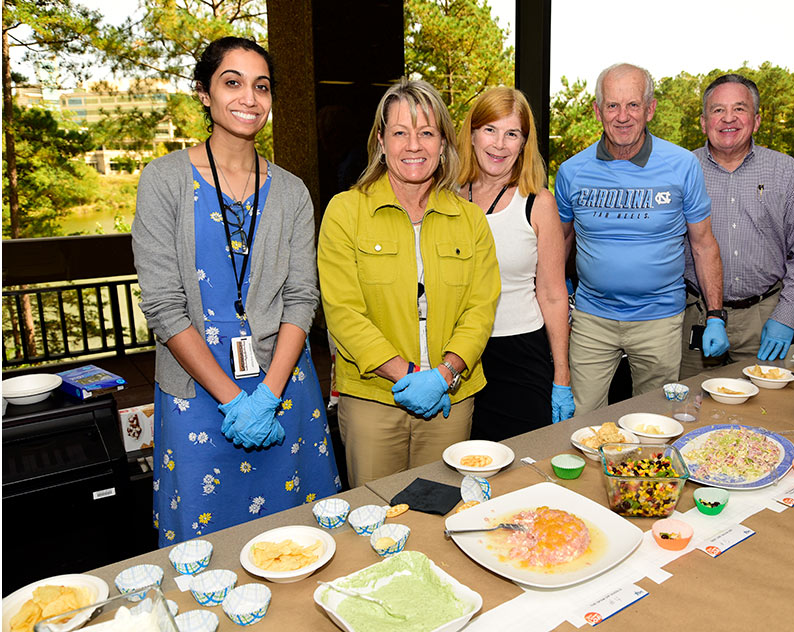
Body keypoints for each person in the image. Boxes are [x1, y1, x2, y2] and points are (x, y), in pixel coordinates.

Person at [131, 37, 341, 546]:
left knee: (300, 538)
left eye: (261, 86)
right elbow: (162, 304)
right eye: (233, 82)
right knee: (204, 544)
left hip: (284, 384)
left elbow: (301, 298)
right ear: (204, 93)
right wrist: (233, 402)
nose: (249, 97)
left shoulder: (291, 191)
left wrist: (266, 396)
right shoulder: (164, 180)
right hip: (196, 390)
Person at [318, 79, 500, 488]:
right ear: (381, 141)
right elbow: (344, 313)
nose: (413, 145)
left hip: (450, 397)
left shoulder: (470, 219)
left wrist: (443, 374)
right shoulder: (346, 212)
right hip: (372, 398)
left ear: (443, 144)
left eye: (426, 133)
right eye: (400, 132)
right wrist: (406, 374)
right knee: (376, 518)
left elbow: (481, 307)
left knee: (441, 514)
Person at [555, 63, 728, 414]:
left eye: (633, 105)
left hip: (659, 319)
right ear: (597, 111)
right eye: (612, 105)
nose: (622, 116)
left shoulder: (682, 166)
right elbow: (559, 243)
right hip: (592, 318)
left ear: (650, 109)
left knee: (655, 422)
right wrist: (560, 299)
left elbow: (703, 243)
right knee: (581, 419)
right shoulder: (572, 171)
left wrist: (715, 315)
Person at [680, 74, 794, 378]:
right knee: (689, 410)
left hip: (763, 316)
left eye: (739, 109)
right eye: (717, 110)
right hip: (696, 316)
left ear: (756, 120)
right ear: (703, 122)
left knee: (764, 410)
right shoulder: (682, 171)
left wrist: (787, 314)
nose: (728, 118)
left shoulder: (786, 172)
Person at [456, 87, 573, 440]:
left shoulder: (538, 203)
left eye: (512, 134)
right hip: (457, 356)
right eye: (490, 129)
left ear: (524, 143)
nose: (499, 144)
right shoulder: (446, 198)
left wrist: (562, 377)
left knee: (519, 471)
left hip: (520, 355)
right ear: (472, 134)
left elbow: (553, 295)